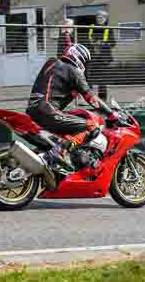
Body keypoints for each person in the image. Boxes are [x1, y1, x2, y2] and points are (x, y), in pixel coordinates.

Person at [26, 44, 119, 186]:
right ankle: (58, 152)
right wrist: (110, 114)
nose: (86, 66)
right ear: (80, 57)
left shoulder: (51, 63)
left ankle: (53, 166)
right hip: (48, 111)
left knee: (65, 131)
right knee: (89, 126)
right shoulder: (74, 71)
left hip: (33, 110)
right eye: (86, 62)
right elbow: (91, 99)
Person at [86, 10, 116, 101]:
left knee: (102, 78)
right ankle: (88, 97)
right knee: (88, 76)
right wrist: (93, 42)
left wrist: (103, 43)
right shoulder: (92, 27)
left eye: (101, 17)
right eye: (98, 17)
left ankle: (102, 99)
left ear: (105, 19)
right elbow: (86, 40)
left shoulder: (108, 28)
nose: (99, 19)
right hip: (93, 56)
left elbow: (113, 43)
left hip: (104, 57)